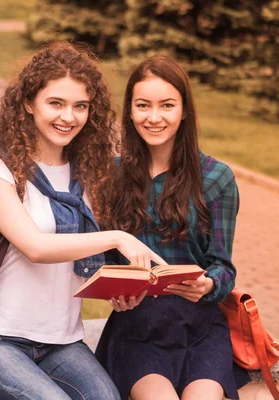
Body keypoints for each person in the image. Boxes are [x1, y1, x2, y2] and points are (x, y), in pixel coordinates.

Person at [0, 41, 166, 400]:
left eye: (80, 106)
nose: (68, 117)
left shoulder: (88, 174)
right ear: (28, 103)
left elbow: (78, 261)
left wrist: (120, 290)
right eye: (56, 103)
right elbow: (36, 247)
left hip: (62, 341)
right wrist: (117, 238)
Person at [95, 54, 250, 400]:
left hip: (200, 328)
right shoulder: (111, 176)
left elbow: (223, 267)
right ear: (130, 111)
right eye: (143, 105)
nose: (154, 117)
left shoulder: (216, 177)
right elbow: (101, 262)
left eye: (166, 105)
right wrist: (114, 293)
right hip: (137, 330)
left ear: (184, 111)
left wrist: (209, 284)